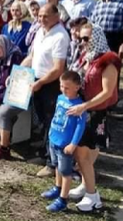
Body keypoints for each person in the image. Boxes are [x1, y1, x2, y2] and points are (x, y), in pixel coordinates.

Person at [66, 23, 121, 212]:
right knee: (84, 155)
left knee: (83, 155)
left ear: (96, 37)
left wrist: (85, 106)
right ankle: (85, 186)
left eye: (86, 38)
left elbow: (107, 92)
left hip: (94, 113)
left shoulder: (108, 61)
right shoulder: (87, 57)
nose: (82, 42)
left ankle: (92, 195)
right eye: (80, 38)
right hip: (84, 111)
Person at [22, 4, 70, 178]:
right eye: (40, 16)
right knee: (42, 121)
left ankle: (52, 164)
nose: (42, 19)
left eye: (46, 16)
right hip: (37, 81)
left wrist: (41, 82)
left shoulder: (60, 36)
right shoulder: (40, 32)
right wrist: (18, 72)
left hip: (50, 85)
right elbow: (33, 57)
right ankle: (44, 155)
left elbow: (58, 68)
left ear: (57, 16)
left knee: (52, 123)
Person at [41, 71, 88, 213]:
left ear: (77, 87)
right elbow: (56, 116)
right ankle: (57, 187)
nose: (63, 90)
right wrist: (50, 133)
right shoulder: (60, 98)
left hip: (65, 145)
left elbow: (80, 126)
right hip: (54, 139)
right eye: (61, 86)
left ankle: (63, 199)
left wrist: (73, 144)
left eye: (67, 87)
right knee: (57, 166)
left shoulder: (79, 106)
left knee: (66, 172)